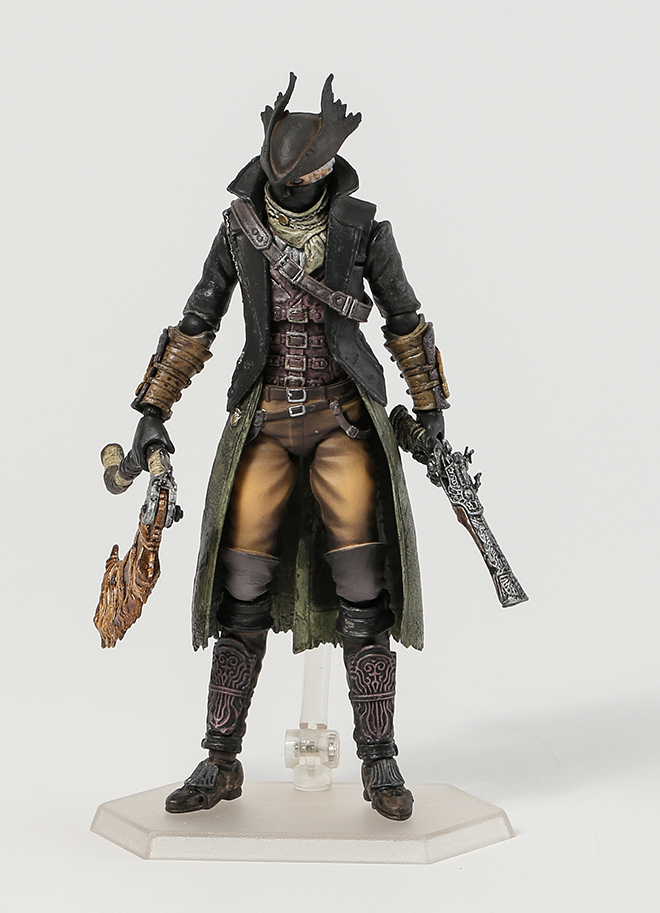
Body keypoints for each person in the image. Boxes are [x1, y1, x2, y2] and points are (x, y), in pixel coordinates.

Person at [128, 74, 451, 821]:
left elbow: (405, 320)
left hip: (343, 419)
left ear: (328, 170)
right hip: (266, 419)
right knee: (241, 580)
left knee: (363, 582)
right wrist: (153, 407)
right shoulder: (239, 230)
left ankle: (378, 758)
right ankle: (221, 757)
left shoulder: (364, 231)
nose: (295, 186)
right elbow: (197, 321)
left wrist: (431, 407)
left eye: (306, 176)